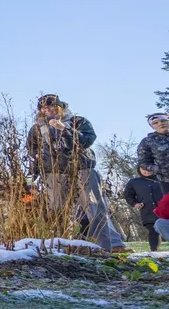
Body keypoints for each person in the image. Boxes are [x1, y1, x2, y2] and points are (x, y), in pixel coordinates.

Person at [24, 94, 128, 252]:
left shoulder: (78, 121)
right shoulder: (36, 129)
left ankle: (112, 245)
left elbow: (86, 141)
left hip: (83, 170)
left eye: (53, 106)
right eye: (45, 108)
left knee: (95, 207)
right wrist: (29, 182)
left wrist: (64, 129)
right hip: (54, 175)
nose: (49, 110)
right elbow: (35, 155)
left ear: (61, 107)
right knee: (57, 212)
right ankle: (63, 246)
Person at [123, 166, 162, 251]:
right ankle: (154, 251)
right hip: (148, 211)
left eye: (149, 169)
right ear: (139, 168)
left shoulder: (163, 178)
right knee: (153, 231)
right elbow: (128, 195)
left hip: (165, 210)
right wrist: (135, 203)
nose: (146, 171)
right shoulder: (134, 182)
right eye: (144, 169)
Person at [136, 112, 169, 193]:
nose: (160, 124)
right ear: (152, 126)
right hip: (166, 181)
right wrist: (161, 170)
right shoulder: (147, 141)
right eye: (155, 123)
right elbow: (144, 163)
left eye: (163, 121)